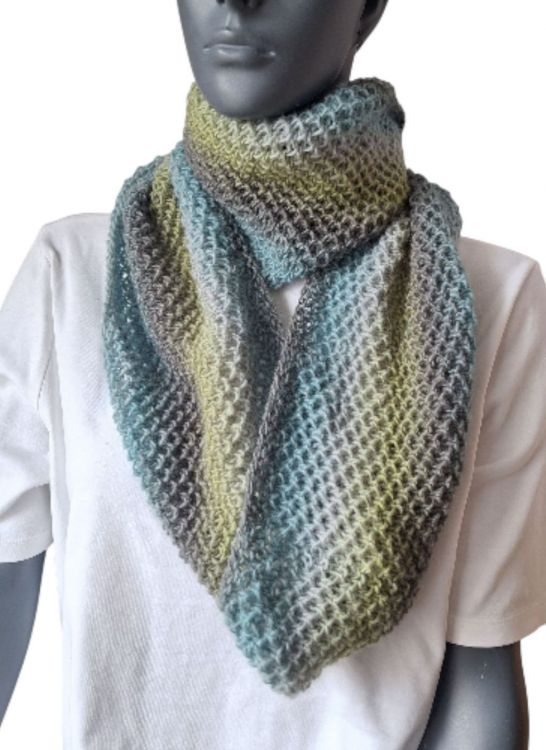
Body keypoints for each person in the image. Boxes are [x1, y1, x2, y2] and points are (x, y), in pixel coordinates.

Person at [0, 1, 544, 748]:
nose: (235, 2)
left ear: (367, 8)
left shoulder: (491, 298)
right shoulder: (73, 276)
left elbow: (481, 675)